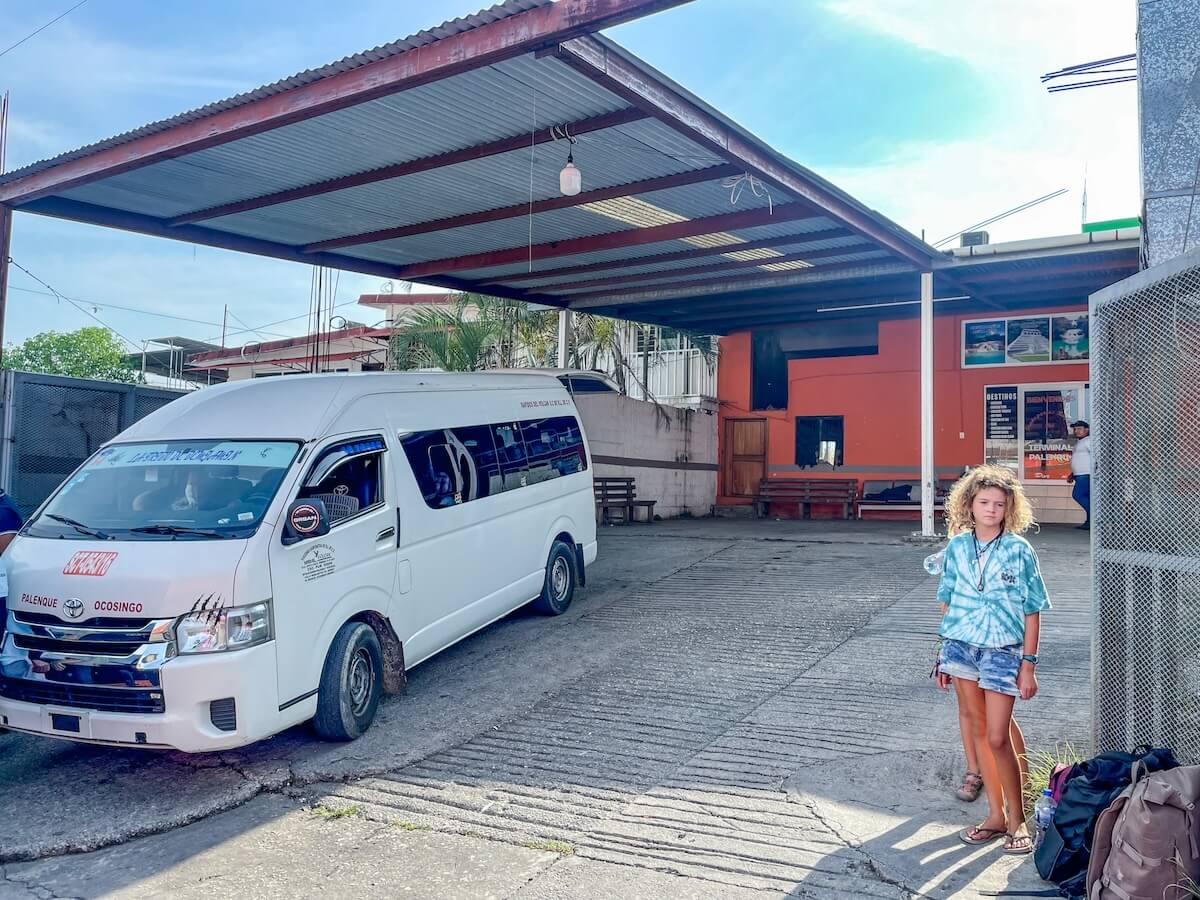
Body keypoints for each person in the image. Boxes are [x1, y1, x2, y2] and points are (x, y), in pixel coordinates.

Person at [934, 465, 1050, 856]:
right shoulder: (956, 547)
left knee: (998, 736)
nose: (991, 509)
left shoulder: (1019, 549)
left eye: (999, 504)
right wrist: (942, 656)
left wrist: (1028, 663)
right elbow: (947, 602)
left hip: (1004, 651)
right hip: (961, 647)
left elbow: (1033, 609)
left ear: (1009, 508)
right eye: (984, 502)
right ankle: (995, 816)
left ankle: (1018, 821)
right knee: (980, 731)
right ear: (969, 504)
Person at [1066, 420, 1091, 529]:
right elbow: (1081, 459)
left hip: (1086, 475)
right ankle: (1090, 522)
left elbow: (1096, 457)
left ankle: (1095, 518)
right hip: (1079, 475)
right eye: (1075, 429)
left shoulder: (1089, 441)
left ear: (1087, 429)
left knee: (1078, 495)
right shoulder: (1080, 442)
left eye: (1079, 429)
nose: (1077, 431)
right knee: (1087, 498)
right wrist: (1072, 474)